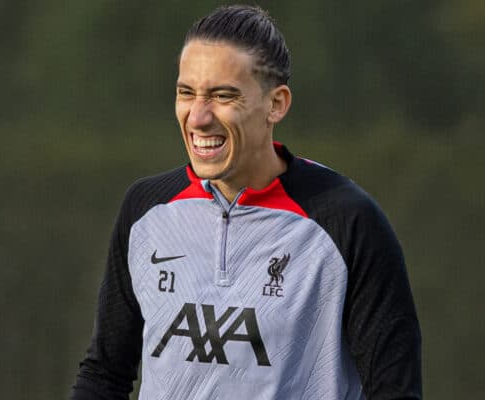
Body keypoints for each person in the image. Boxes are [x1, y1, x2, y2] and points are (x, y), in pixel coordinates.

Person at [71, 5, 422, 400]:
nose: (198, 117)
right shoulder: (146, 209)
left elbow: (394, 392)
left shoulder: (347, 222)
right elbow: (105, 374)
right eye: (186, 93)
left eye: (224, 95)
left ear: (277, 104)